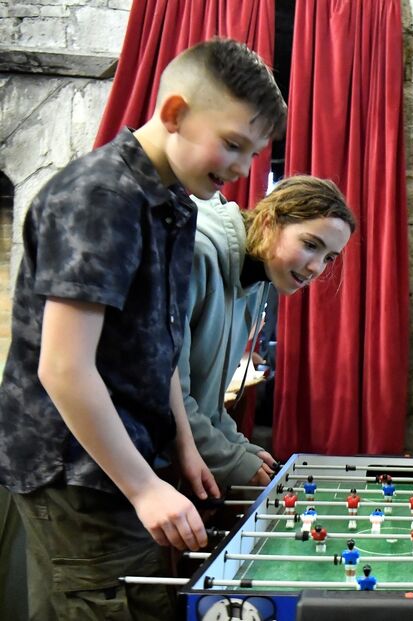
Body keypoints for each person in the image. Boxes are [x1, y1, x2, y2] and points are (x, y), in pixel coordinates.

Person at [0, 37, 286, 620]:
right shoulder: (101, 195)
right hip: (79, 470)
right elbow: (63, 367)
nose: (240, 169)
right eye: (232, 144)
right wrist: (143, 487)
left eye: (254, 154)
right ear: (176, 113)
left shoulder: (174, 203)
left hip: (128, 457)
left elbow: (160, 349)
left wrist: (181, 443)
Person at [181, 175, 355, 489]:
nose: (317, 268)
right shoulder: (197, 251)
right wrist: (230, 458)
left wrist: (238, 445)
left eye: (328, 257)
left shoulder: (259, 276)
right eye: (310, 245)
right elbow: (164, 393)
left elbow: (204, 400)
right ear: (267, 222)